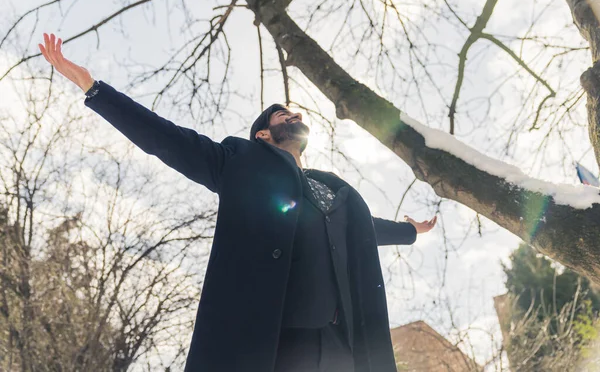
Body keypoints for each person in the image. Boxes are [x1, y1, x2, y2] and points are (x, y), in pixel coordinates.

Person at [39, 33, 437, 372]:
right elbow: (166, 139)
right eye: (282, 115)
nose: (293, 114)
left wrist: (409, 232)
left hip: (340, 346)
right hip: (275, 342)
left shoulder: (330, 189)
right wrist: (94, 90)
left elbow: (362, 230)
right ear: (263, 136)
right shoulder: (240, 163)